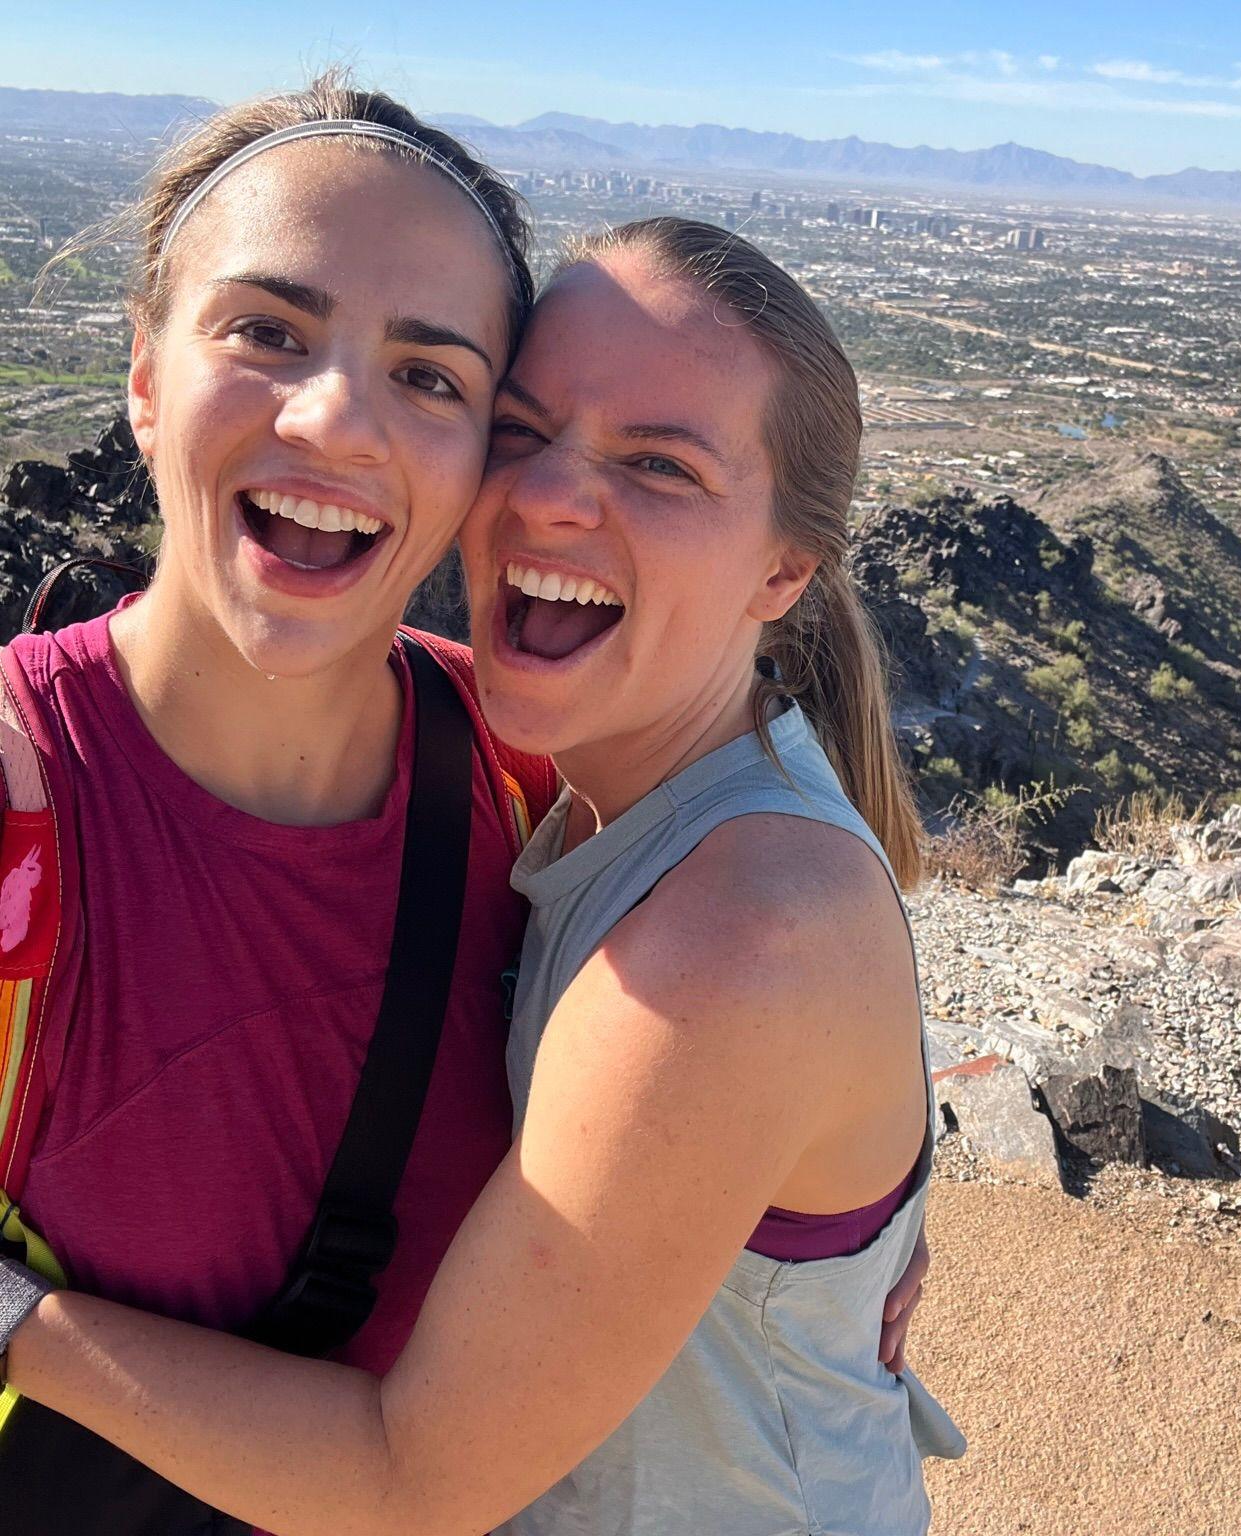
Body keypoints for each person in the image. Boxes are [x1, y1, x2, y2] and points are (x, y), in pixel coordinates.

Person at [2, 216, 965, 1534]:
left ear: (785, 571)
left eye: (661, 467)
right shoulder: (563, 788)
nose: (551, 496)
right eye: (520, 430)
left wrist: (18, 1316)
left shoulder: (733, 936)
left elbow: (415, 1478)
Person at [0, 74, 560, 1534]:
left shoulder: (536, 780)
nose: (336, 420)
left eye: (431, 375)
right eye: (268, 332)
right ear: (142, 376)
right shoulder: (20, 800)